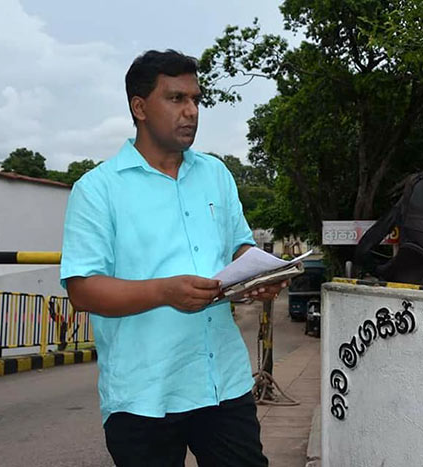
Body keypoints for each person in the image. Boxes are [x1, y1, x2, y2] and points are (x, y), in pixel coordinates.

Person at [60, 49, 284, 467]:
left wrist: (259, 273)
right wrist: (165, 291)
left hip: (223, 384)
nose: (191, 112)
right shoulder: (97, 190)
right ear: (139, 107)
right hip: (144, 395)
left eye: (196, 99)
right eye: (176, 99)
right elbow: (83, 289)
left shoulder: (216, 174)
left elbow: (239, 245)